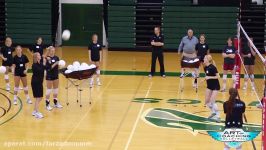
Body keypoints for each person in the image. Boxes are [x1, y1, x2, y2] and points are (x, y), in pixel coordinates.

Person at [203, 55, 220, 122]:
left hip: (215, 86)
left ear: (208, 59)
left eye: (205, 58)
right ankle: (213, 112)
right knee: (207, 102)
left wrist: (209, 77)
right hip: (209, 86)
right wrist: (204, 79)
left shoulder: (213, 67)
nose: (203, 59)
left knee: (212, 101)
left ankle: (218, 116)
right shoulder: (205, 67)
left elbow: (218, 76)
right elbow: (207, 75)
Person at [45, 46, 63, 111]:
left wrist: (60, 66)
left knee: (56, 89)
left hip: (55, 75)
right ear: (49, 51)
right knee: (49, 90)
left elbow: (57, 67)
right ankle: (47, 104)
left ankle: (55, 103)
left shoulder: (56, 57)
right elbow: (49, 68)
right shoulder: (47, 58)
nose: (52, 51)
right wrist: (55, 63)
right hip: (49, 75)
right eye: (51, 50)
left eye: (53, 50)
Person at [31, 52, 46, 119]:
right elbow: (40, 70)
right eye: (39, 55)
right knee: (38, 97)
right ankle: (37, 112)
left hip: (40, 82)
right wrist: (44, 64)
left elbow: (45, 67)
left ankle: (34, 110)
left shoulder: (40, 63)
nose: (40, 56)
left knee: (40, 97)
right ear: (36, 57)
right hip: (35, 82)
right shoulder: (34, 65)